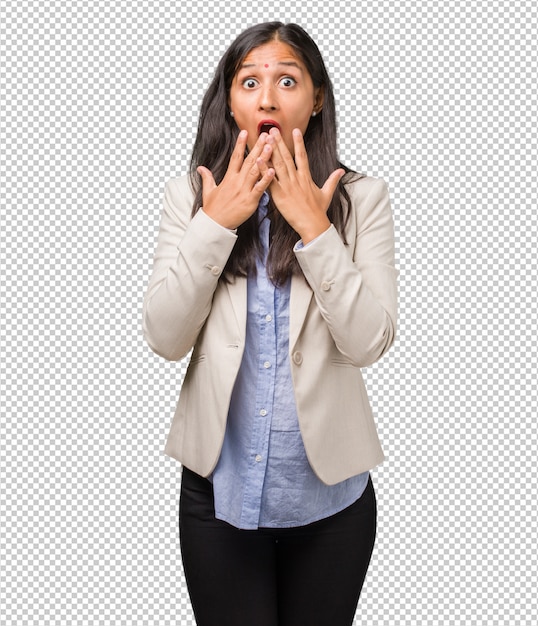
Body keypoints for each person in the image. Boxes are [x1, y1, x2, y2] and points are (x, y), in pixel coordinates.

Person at [143, 21, 398, 626]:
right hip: (218, 499)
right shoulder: (190, 196)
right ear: (229, 101)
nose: (267, 98)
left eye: (287, 80)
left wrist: (316, 228)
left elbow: (369, 342)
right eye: (249, 81)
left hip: (334, 504)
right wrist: (216, 224)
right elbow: (164, 337)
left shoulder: (361, 198)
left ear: (316, 99)